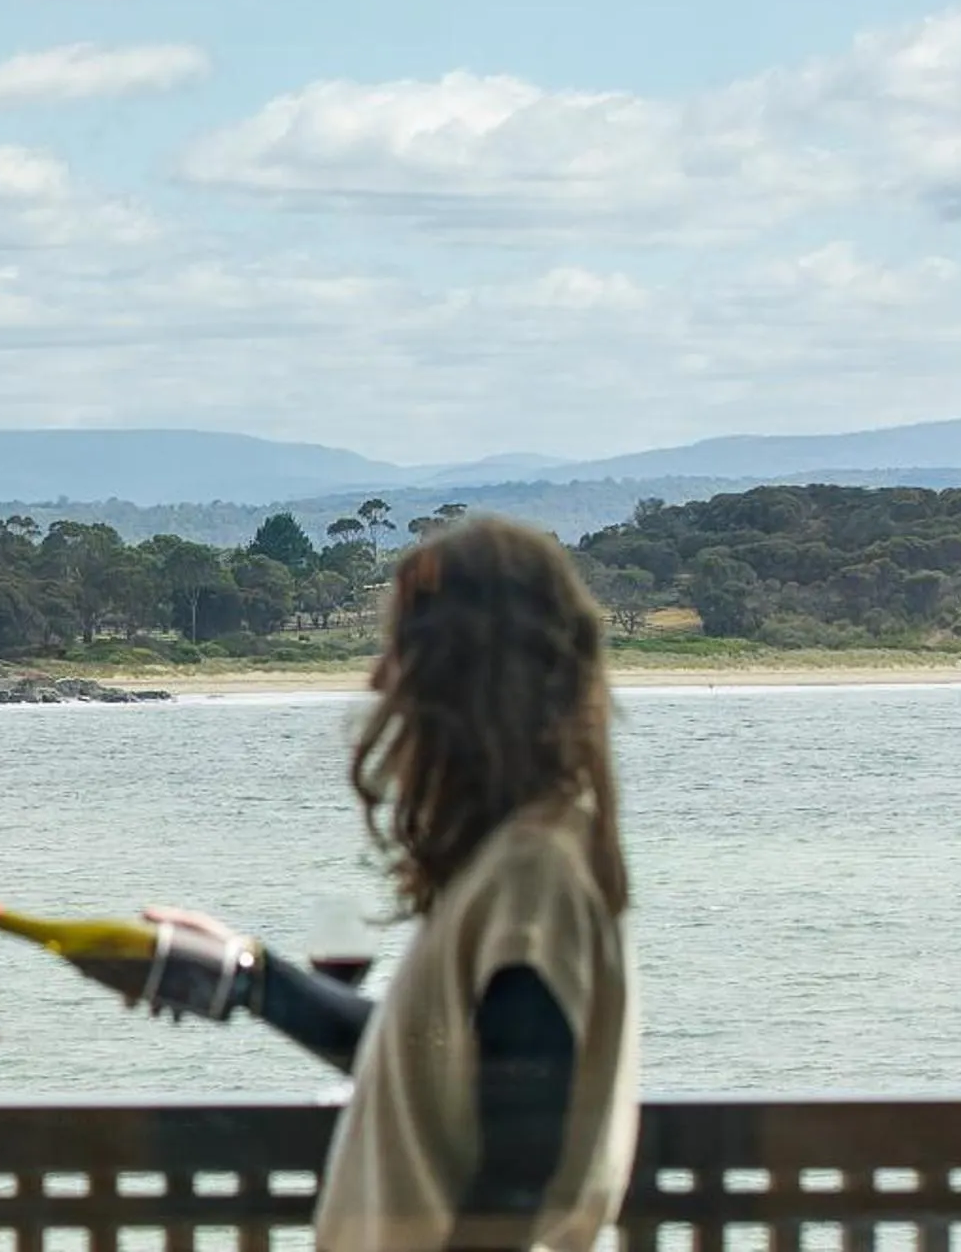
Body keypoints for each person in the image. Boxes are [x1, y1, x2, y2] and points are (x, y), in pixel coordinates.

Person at [137, 517, 637, 1252]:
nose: (378, 678)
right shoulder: (519, 858)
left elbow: (520, 1168)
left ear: (460, 675)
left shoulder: (530, 872)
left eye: (399, 650)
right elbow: (434, 1065)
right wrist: (249, 976)